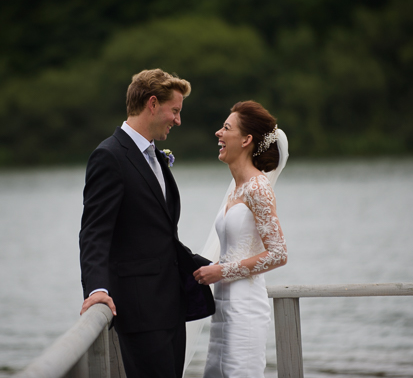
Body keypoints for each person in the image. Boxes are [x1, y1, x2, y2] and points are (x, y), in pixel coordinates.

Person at [79, 68, 215, 378]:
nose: (178, 120)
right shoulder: (109, 156)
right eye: (175, 110)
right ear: (152, 104)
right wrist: (97, 289)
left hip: (170, 307)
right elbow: (95, 233)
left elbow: (160, 231)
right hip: (139, 311)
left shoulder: (154, 156)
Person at [193, 100, 288, 378]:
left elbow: (278, 254)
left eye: (226, 128)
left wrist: (220, 271)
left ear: (246, 140)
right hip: (222, 307)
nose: (218, 134)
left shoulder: (258, 187)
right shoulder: (237, 189)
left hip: (245, 308)